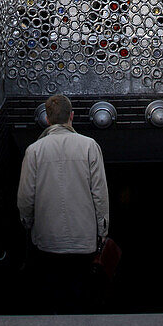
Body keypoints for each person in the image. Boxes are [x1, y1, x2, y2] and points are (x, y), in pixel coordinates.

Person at [17, 94, 109, 309]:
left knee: (52, 293)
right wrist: (102, 232)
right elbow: (100, 194)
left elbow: (25, 197)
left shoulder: (34, 151)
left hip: (47, 239)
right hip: (83, 239)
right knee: (81, 293)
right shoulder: (89, 146)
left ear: (47, 120)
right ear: (72, 116)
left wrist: (28, 223)